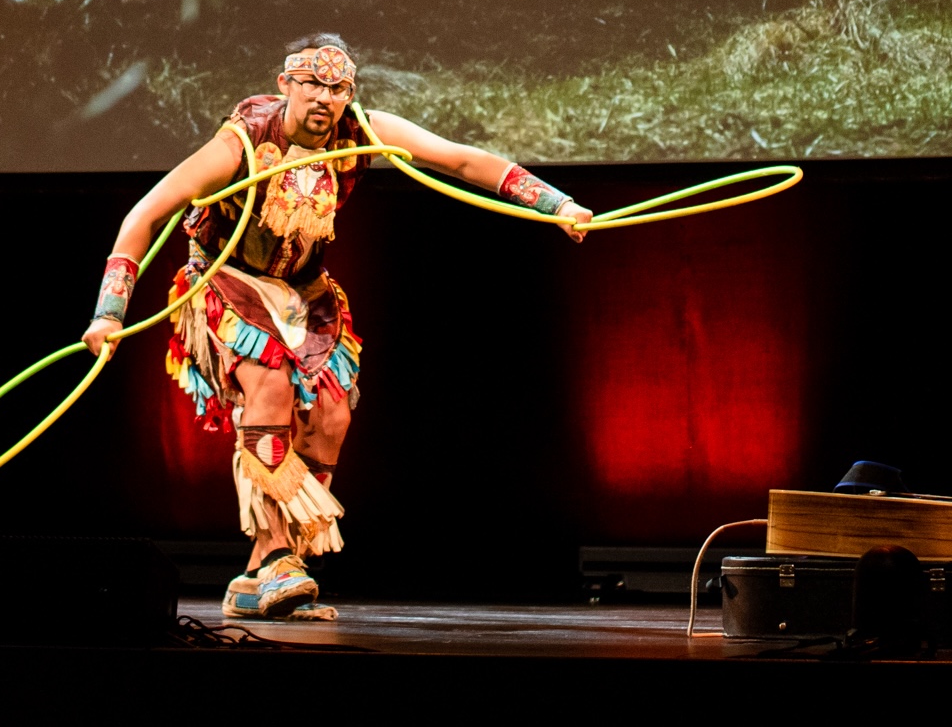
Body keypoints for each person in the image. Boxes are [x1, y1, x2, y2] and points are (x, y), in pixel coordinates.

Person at [82, 33, 591, 620]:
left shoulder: (361, 132)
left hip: (306, 292)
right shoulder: (243, 140)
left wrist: (559, 206)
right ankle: (275, 558)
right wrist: (109, 313)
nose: (326, 99)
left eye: (338, 88)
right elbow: (145, 213)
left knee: (331, 415)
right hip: (229, 281)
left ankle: (263, 571)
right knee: (268, 388)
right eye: (313, 85)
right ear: (285, 85)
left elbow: (461, 158)